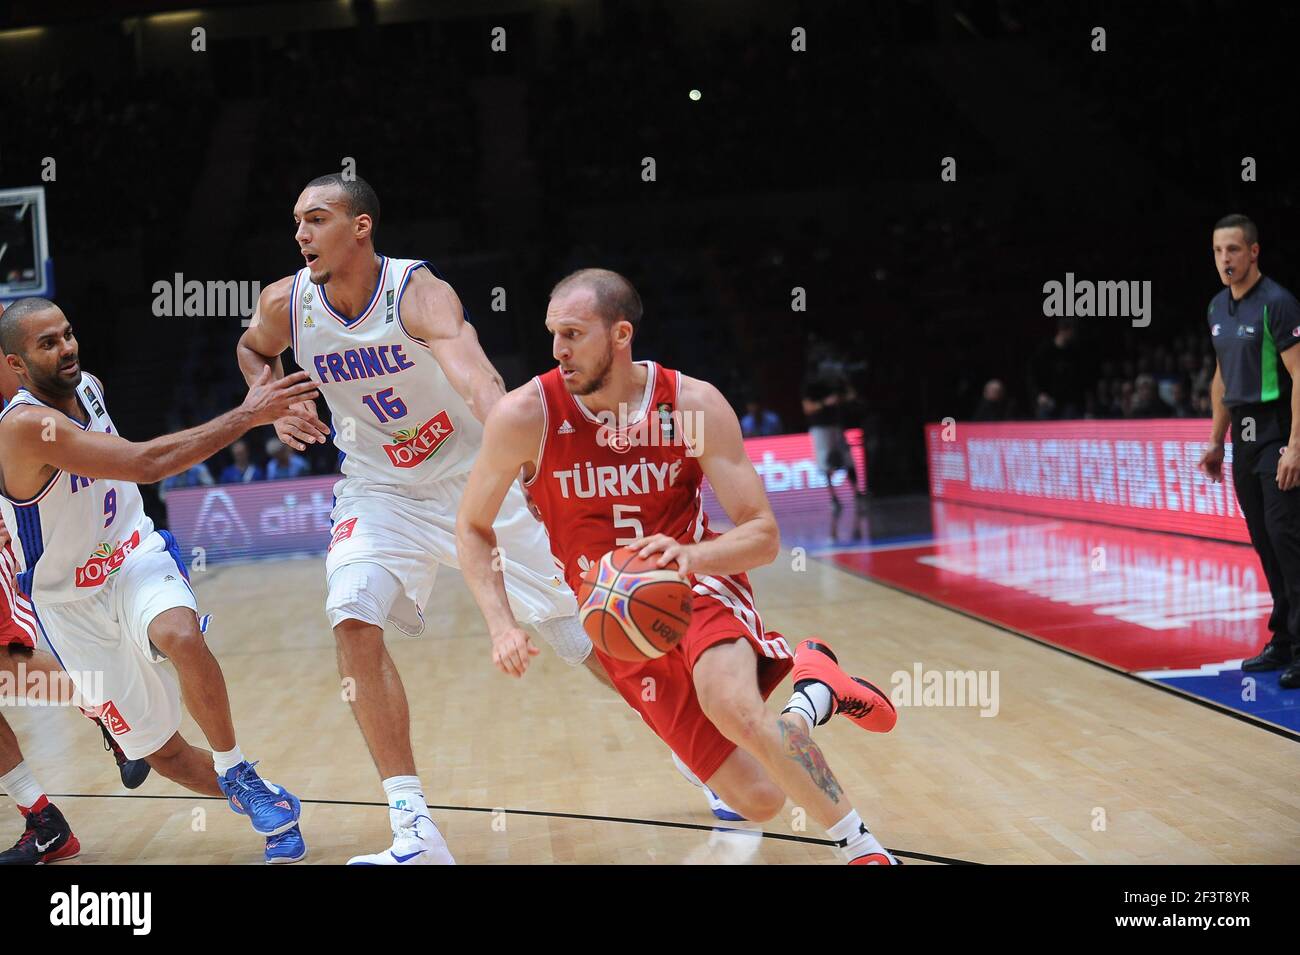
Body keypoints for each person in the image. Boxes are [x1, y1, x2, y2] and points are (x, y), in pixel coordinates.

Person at [456, 268, 901, 864]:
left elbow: (763, 536)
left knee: (734, 706)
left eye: (572, 333)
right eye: (552, 333)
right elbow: (473, 525)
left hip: (695, 587)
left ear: (620, 335)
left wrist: (692, 557)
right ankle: (815, 691)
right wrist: (500, 623)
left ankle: (861, 848)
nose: (558, 349)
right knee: (761, 798)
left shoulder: (692, 403)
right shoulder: (526, 416)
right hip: (613, 619)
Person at [235, 174, 603, 865]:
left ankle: (699, 754)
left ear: (362, 226)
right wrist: (272, 400)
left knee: (575, 633)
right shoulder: (287, 302)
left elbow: (478, 377)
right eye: (296, 222)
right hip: (379, 488)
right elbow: (253, 348)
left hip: (471, 476)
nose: (301, 234)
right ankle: (414, 829)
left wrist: (510, 438)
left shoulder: (419, 293)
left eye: (317, 219)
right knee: (351, 610)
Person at [0, 297, 319, 863]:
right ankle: (264, 800)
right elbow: (146, 464)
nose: (67, 347)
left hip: (133, 556)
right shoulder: (26, 427)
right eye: (47, 343)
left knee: (180, 636)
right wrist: (248, 414)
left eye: (68, 333)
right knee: (162, 754)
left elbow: (134, 468)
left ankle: (236, 766)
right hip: (68, 605)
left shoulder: (89, 386)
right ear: (16, 365)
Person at [1197, 214, 1300, 690]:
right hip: (1243, 437)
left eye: (1234, 250)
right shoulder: (1218, 306)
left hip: (1279, 434)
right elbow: (1221, 376)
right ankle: (1283, 639)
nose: (1225, 260)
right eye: (1219, 251)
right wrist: (1218, 439)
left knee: (1286, 537)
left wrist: (1296, 446)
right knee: (1263, 540)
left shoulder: (1277, 303)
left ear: (1253, 252)